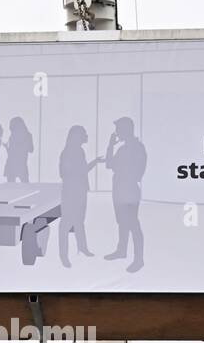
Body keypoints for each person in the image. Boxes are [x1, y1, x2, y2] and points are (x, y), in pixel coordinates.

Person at [103, 117, 147, 273]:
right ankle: (121, 251)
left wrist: (124, 175)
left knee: (133, 224)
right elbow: (109, 164)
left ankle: (139, 260)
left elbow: (138, 172)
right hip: (120, 190)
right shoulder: (122, 149)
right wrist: (110, 145)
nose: (117, 133)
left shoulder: (137, 148)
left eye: (119, 129)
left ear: (127, 129)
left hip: (129, 190)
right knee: (122, 222)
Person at [56, 125, 100, 268]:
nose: (86, 136)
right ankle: (64, 256)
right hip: (71, 191)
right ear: (76, 136)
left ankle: (82, 248)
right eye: (83, 134)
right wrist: (79, 173)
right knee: (66, 223)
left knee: (79, 221)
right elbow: (65, 173)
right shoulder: (67, 152)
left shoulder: (79, 151)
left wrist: (95, 162)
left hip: (80, 191)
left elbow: (83, 170)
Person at [4, 117, 34, 183]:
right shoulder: (14, 135)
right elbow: (31, 149)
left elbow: (31, 149)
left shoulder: (25, 135)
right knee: (23, 185)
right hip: (16, 163)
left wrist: (20, 145)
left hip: (19, 163)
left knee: (15, 185)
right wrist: (7, 148)